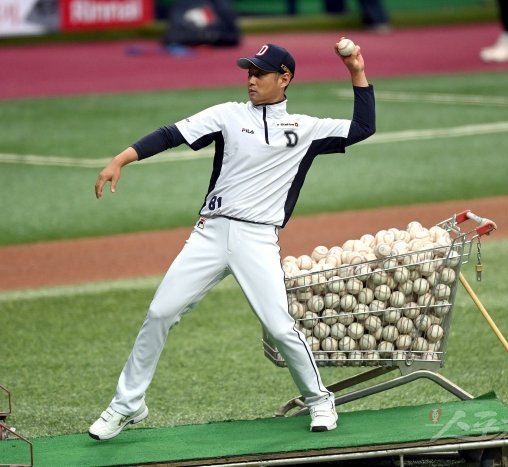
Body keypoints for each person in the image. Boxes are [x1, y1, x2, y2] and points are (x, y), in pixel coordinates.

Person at [88, 40, 376, 440]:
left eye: (260, 73)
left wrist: (356, 71)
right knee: (159, 313)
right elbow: (171, 134)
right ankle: (127, 404)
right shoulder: (227, 115)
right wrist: (121, 159)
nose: (251, 79)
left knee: (279, 326)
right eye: (249, 72)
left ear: (285, 78)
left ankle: (319, 399)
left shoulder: (305, 128)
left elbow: (363, 128)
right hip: (210, 233)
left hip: (258, 239)